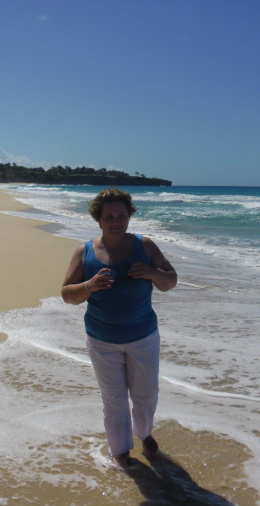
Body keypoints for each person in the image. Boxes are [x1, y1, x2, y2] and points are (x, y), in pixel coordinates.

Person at [61, 188, 177, 468]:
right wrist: (90, 286)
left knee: (146, 394)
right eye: (109, 217)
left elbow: (170, 281)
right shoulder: (84, 252)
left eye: (122, 216)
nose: (116, 222)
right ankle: (120, 450)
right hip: (102, 339)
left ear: (129, 217)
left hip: (143, 337)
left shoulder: (144, 246)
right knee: (114, 399)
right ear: (98, 219)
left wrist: (151, 272)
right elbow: (67, 295)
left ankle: (144, 433)